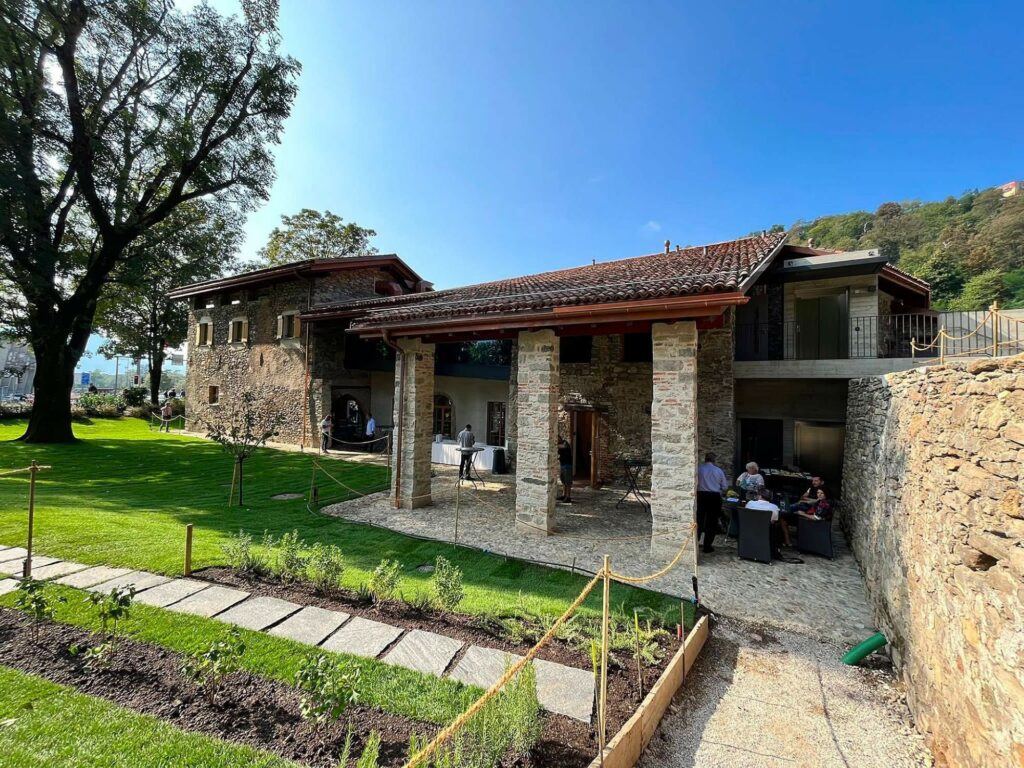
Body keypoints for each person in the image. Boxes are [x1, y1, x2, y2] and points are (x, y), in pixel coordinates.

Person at [696, 452, 728, 553]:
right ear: (714, 460)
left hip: (700, 496)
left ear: (705, 459)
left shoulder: (698, 469)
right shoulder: (718, 471)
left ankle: (695, 543)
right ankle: (707, 546)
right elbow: (725, 486)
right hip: (714, 497)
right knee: (712, 522)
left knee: (698, 520)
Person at [745, 487, 784, 559]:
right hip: (765, 531)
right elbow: (773, 521)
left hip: (750, 529)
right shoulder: (774, 507)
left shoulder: (750, 503)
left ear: (760, 496)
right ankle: (774, 550)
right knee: (777, 527)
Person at [557, 436, 574, 504]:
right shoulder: (559, 445)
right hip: (562, 465)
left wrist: (554, 445)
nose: (556, 440)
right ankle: (564, 495)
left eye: (557, 439)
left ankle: (568, 497)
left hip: (567, 466)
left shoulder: (565, 442)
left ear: (560, 438)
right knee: (563, 481)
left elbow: (563, 446)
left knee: (568, 482)